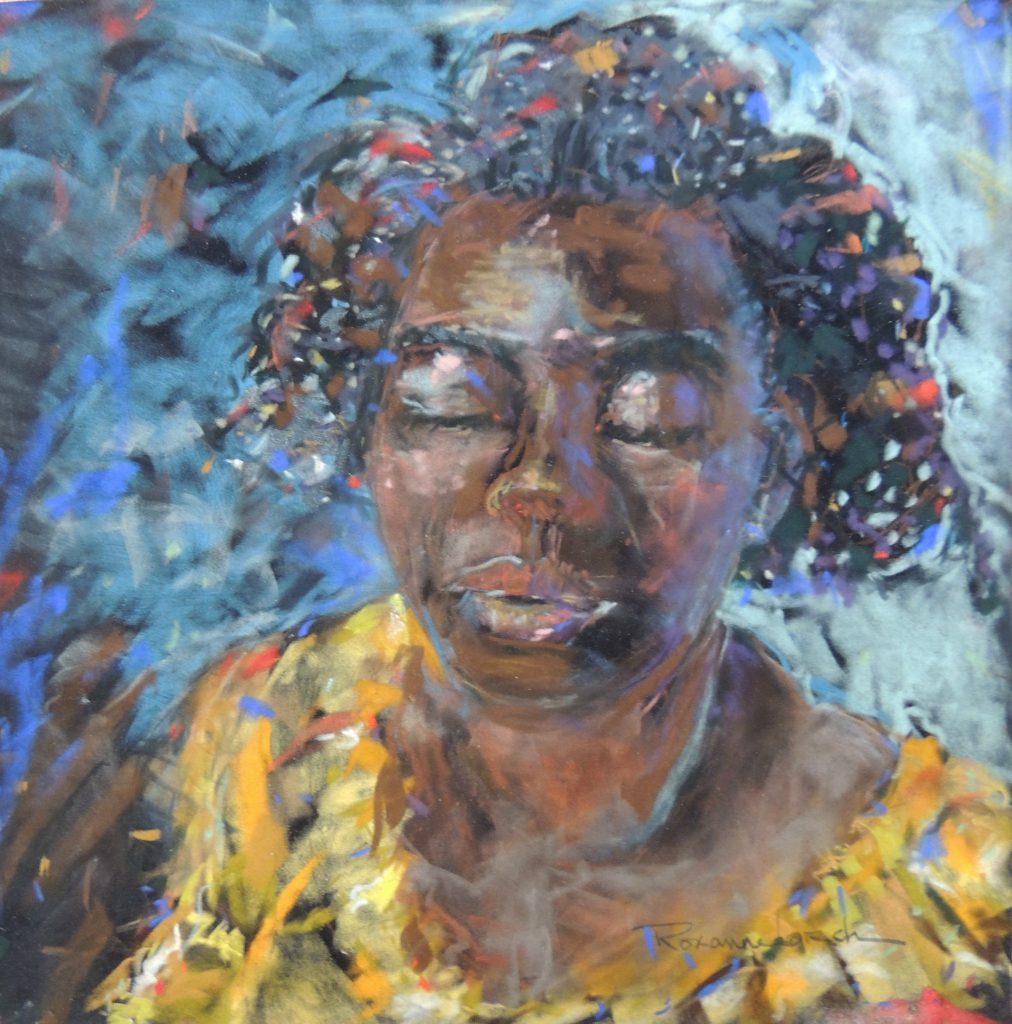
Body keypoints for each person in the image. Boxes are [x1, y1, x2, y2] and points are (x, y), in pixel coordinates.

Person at [90, 16, 1010, 1024]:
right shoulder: (263, 738)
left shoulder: (951, 897)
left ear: (779, 466)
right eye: (452, 402)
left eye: (650, 418)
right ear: (362, 426)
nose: (539, 487)